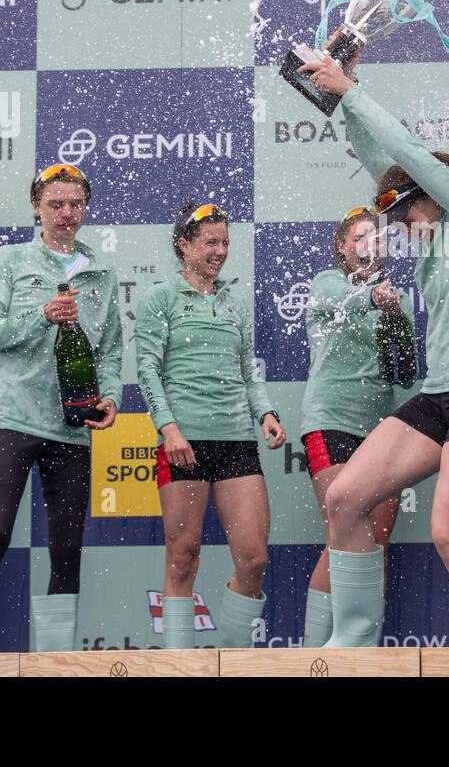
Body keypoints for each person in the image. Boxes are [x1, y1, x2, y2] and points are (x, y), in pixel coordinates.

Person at [300, 51, 449, 648]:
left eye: (404, 216)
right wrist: (341, 95)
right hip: (439, 395)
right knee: (345, 499)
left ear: (431, 195)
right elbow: (384, 166)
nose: (399, 229)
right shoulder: (428, 235)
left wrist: (350, 89)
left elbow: (410, 157)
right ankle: (351, 649)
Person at [0, 164, 122, 653]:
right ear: (36, 208)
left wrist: (111, 396)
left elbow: (110, 349)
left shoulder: (101, 273)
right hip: (15, 417)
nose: (66, 214)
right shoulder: (10, 259)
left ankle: (56, 662)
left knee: (66, 548)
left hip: (72, 426)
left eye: (75, 205)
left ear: (85, 208)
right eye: (56, 205)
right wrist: (41, 315)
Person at [135, 202, 285, 650]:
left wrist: (267, 413)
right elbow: (146, 368)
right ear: (184, 244)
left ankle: (232, 659)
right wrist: (169, 428)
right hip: (184, 440)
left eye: (225, 243)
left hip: (237, 440)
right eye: (210, 242)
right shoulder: (161, 298)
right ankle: (180, 665)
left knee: (254, 559)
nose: (220, 251)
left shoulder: (233, 302)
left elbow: (247, 371)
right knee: (183, 558)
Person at [298, 207, 417, 646]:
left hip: (379, 429)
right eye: (360, 238)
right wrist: (375, 300)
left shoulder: (394, 300)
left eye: (378, 239)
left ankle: (361, 657)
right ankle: (315, 657)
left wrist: (396, 321)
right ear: (342, 248)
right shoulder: (328, 284)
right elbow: (345, 301)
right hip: (330, 421)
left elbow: (405, 374)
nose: (370, 246)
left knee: (376, 542)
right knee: (342, 536)